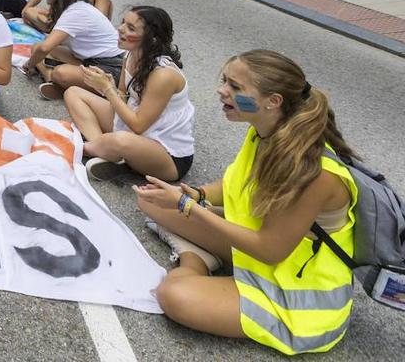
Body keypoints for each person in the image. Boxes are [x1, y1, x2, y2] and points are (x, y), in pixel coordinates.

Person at [137, 51, 359, 356]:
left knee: (174, 295)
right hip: (257, 247)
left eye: (236, 87)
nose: (221, 90)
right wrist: (197, 195)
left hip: (293, 292)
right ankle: (208, 260)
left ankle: (194, 260)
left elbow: (269, 250)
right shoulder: (264, 131)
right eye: (225, 81)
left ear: (274, 101)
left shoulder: (312, 170)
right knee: (152, 202)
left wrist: (189, 208)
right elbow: (232, 184)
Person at [61, 7, 195, 182]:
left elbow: (139, 125)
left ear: (151, 40)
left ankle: (90, 148)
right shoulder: (130, 55)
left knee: (121, 140)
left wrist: (108, 90)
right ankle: (106, 152)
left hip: (167, 154)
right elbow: (123, 98)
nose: (120, 28)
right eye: (123, 22)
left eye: (131, 28)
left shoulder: (164, 75)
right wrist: (107, 86)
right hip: (134, 132)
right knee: (73, 93)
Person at [22, 0, 124, 101]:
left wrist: (28, 65)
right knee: (36, 47)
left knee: (60, 73)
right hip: (91, 60)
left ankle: (61, 82)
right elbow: (45, 45)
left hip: (112, 66)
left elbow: (45, 48)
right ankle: (52, 80)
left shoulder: (74, 12)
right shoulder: (73, 7)